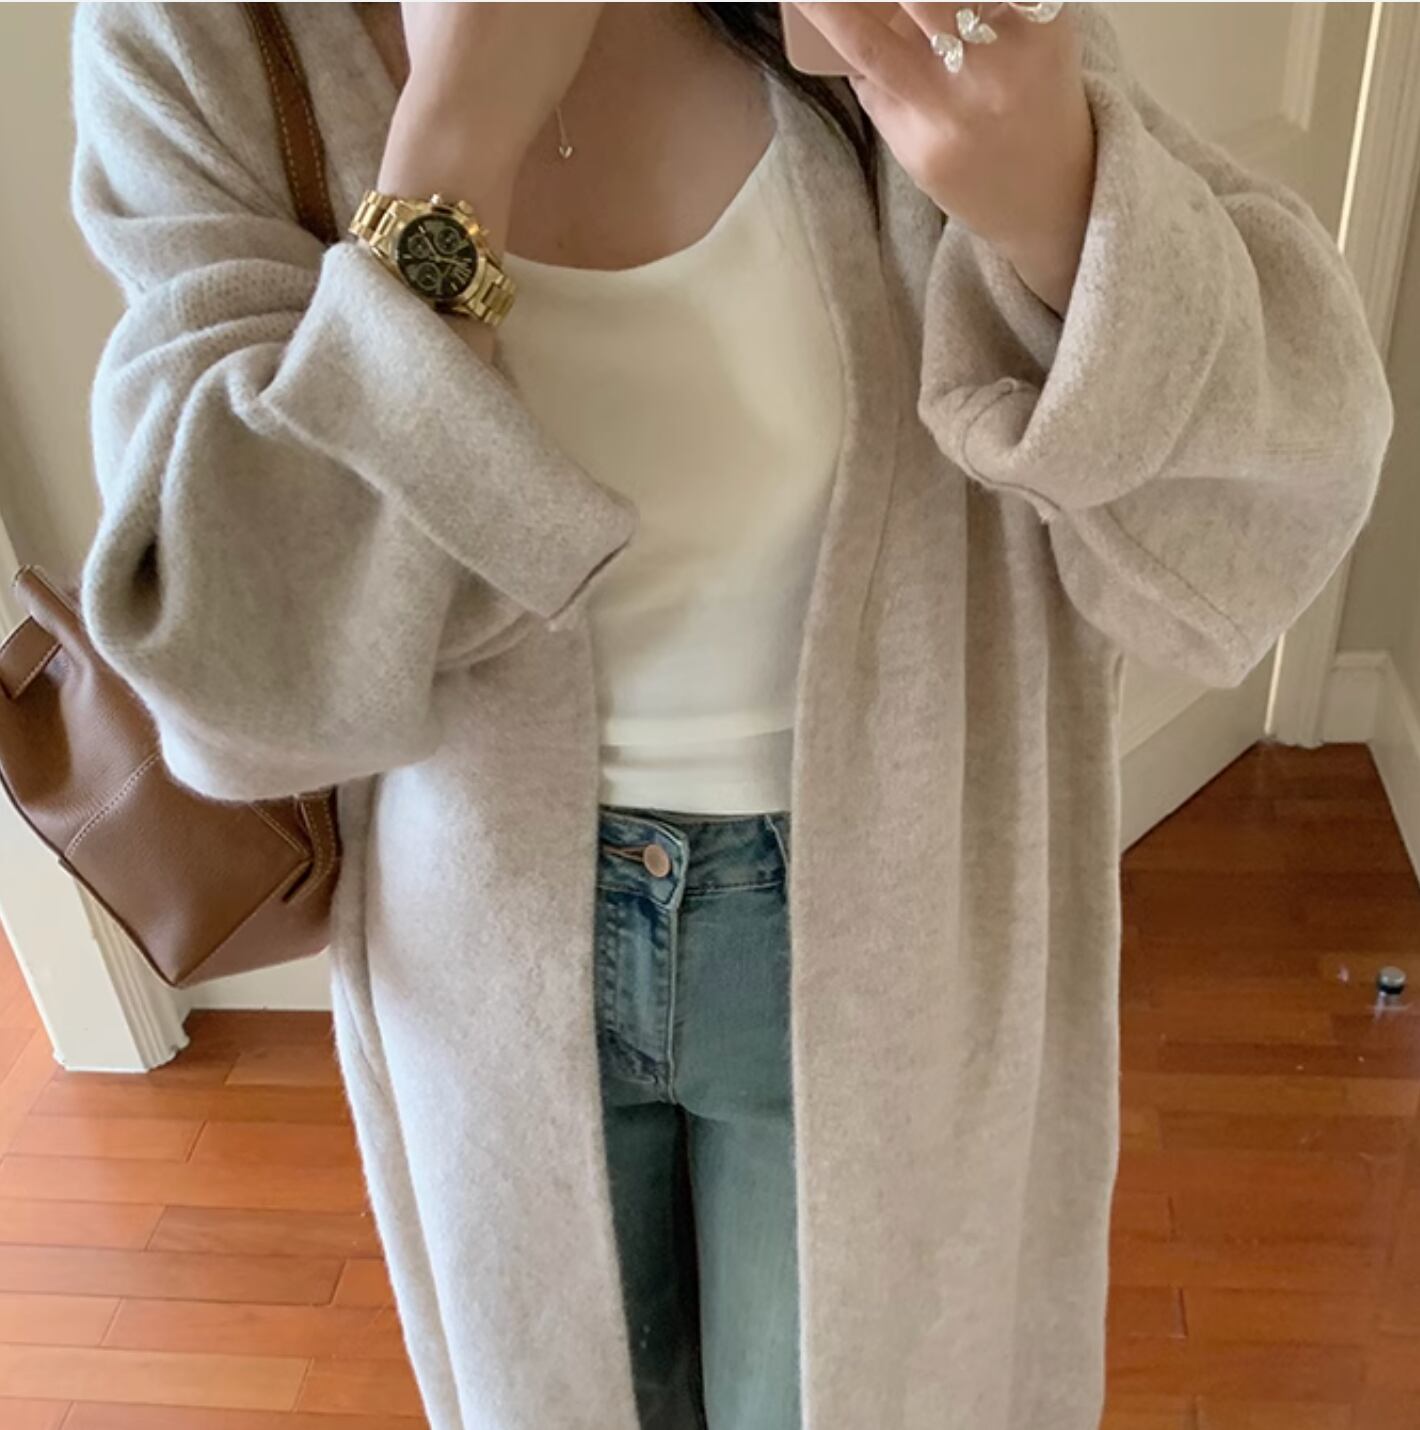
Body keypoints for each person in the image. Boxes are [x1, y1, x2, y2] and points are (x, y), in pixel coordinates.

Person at [68, 3, 1394, 1428]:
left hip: (887, 939)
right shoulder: (202, 33)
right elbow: (240, 678)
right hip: (487, 964)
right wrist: (453, 146)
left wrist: (1065, 207)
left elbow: (1280, 486)